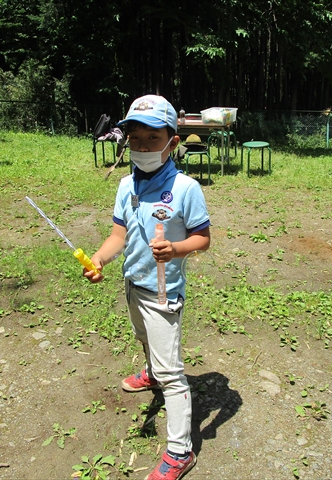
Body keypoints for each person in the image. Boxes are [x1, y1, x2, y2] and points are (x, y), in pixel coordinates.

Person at [84, 94, 211, 480]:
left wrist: (175, 249)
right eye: (134, 138)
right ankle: (151, 372)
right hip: (133, 284)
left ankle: (180, 451)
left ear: (173, 142)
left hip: (163, 292)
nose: (141, 147)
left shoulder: (186, 188)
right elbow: (117, 234)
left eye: (152, 138)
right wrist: (100, 259)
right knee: (142, 337)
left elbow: (203, 239)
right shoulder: (125, 184)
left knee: (173, 373)